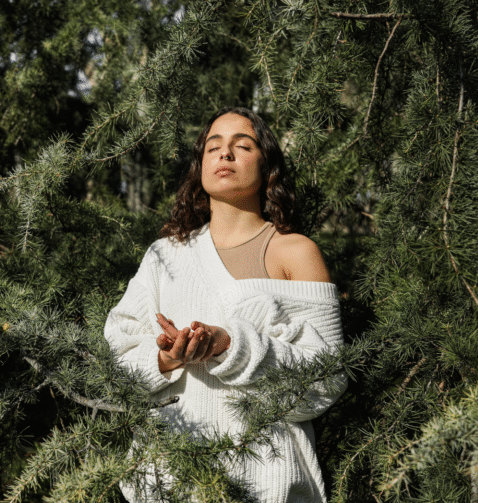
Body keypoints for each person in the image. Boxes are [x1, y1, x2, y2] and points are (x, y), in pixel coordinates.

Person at [104, 107, 346, 502]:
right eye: (213, 147)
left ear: (267, 166)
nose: (225, 154)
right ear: (199, 166)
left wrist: (230, 345)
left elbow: (328, 378)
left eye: (243, 145)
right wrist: (165, 360)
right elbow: (117, 360)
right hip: (170, 480)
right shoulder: (165, 255)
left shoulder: (295, 252)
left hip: (268, 481)